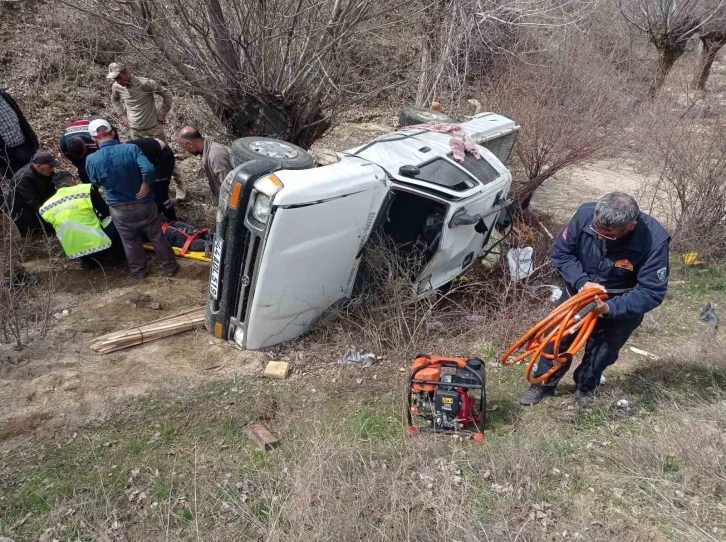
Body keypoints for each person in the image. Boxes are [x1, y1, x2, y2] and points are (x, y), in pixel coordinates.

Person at [518, 192, 670, 408]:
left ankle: (585, 387)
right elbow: (563, 254)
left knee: (603, 350)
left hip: (619, 303)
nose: (598, 235)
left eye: (607, 234)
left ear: (630, 227)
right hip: (578, 295)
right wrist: (581, 282)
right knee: (556, 339)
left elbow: (651, 291)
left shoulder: (654, 241)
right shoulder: (584, 215)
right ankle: (543, 384)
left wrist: (609, 308)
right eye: (596, 228)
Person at [85, 119, 179, 279]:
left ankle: (139, 272)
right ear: (113, 133)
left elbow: (94, 181)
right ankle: (170, 267)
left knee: (129, 241)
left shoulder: (91, 160)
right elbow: (149, 169)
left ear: (94, 139)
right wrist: (145, 184)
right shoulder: (131, 149)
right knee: (157, 236)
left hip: (119, 209)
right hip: (144, 205)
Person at [107, 62, 187, 201]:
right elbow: (114, 100)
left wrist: (162, 113)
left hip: (153, 129)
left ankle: (180, 185)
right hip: (135, 131)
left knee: (165, 157)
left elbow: (167, 95)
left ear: (127, 72)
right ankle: (157, 186)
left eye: (120, 77)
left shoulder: (146, 84)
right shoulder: (117, 86)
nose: (119, 81)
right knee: (142, 160)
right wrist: (122, 115)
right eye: (116, 79)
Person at [39, 170, 124, 269]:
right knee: (113, 219)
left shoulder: (45, 207)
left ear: (55, 187)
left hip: (74, 250)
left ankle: (87, 260)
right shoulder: (84, 190)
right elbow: (105, 211)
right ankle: (117, 256)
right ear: (73, 180)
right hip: (99, 244)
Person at [7, 152, 59, 235]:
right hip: (26, 213)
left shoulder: (44, 171)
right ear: (38, 165)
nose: (52, 169)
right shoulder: (24, 178)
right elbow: (33, 202)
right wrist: (52, 215)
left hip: (41, 202)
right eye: (50, 166)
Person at [128, 137, 177, 221]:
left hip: (162, 156)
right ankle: (158, 214)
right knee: (151, 190)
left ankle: (173, 220)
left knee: (161, 194)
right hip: (150, 156)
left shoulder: (124, 155)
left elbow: (148, 169)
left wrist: (145, 183)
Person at [176, 126, 232, 199]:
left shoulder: (216, 157)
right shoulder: (206, 150)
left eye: (184, 147)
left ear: (189, 144)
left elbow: (230, 187)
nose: (186, 150)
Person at [59, 119, 119, 184]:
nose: (83, 156)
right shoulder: (63, 142)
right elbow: (72, 158)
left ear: (86, 145)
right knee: (83, 169)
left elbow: (111, 139)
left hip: (93, 139)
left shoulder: (95, 134)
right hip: (83, 148)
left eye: (83, 154)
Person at [0, 88, 38, 178]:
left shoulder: (4, 96)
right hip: (8, 156)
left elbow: (21, 117)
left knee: (40, 175)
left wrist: (32, 138)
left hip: (26, 146)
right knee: (21, 182)